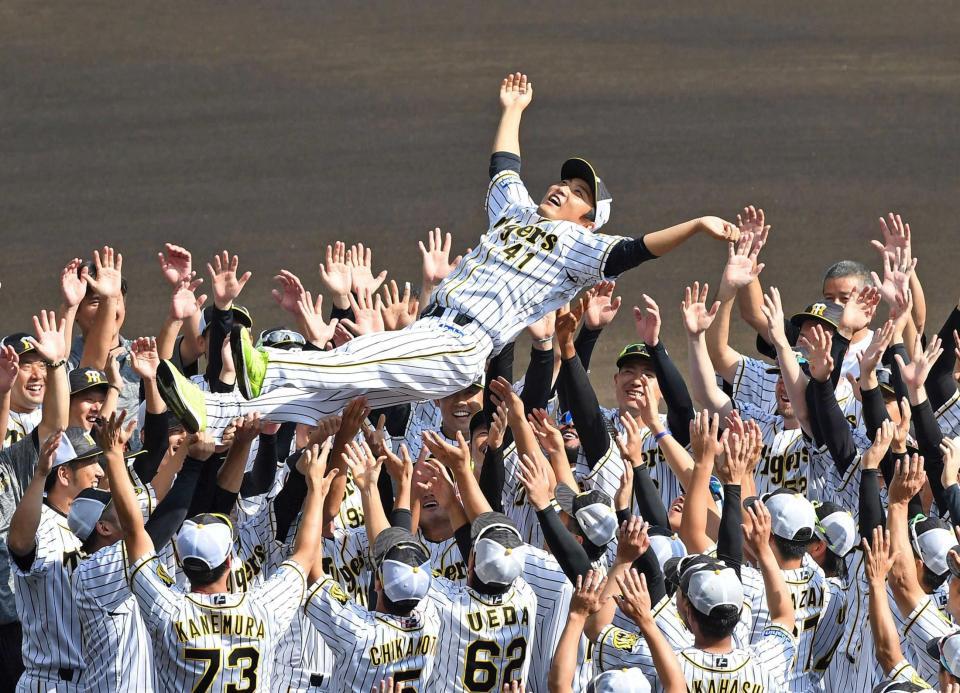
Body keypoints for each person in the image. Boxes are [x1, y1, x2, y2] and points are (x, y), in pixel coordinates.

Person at [154, 71, 739, 437]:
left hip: (463, 343)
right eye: (566, 181)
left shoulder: (580, 247)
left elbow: (637, 251)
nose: (565, 189)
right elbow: (503, 167)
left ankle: (267, 363)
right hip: (437, 333)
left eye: (580, 193)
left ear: (588, 217)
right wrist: (513, 110)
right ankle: (220, 415)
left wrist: (696, 225)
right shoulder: (515, 213)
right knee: (332, 395)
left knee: (355, 361)